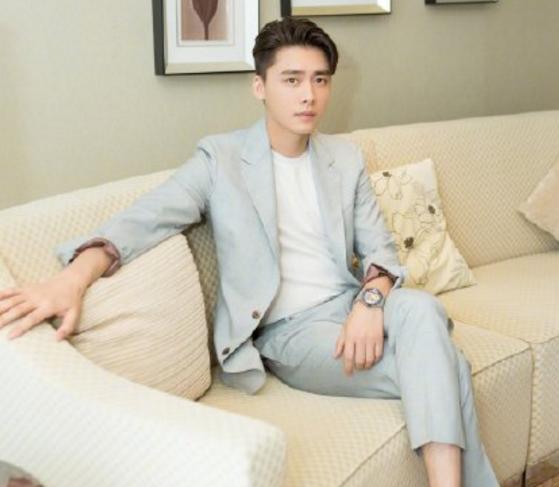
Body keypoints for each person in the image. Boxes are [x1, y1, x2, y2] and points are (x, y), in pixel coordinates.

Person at [0, 16, 499, 487]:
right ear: (259, 86)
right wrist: (73, 277)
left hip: (350, 304)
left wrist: (369, 303)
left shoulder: (344, 159)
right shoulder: (220, 160)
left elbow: (381, 253)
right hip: (291, 334)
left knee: (423, 310)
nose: (309, 95)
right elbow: (146, 218)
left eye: (320, 80)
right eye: (292, 80)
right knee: (446, 365)